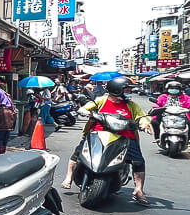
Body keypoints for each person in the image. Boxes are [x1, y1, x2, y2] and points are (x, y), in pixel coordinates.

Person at [60, 77, 152, 205]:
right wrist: (84, 111)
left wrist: (144, 124)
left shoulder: (131, 105)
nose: (129, 92)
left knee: (138, 161)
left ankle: (138, 190)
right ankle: (69, 176)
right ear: (116, 90)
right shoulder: (101, 100)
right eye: (126, 90)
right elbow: (87, 108)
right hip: (98, 133)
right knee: (78, 152)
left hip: (125, 137)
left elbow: (142, 117)